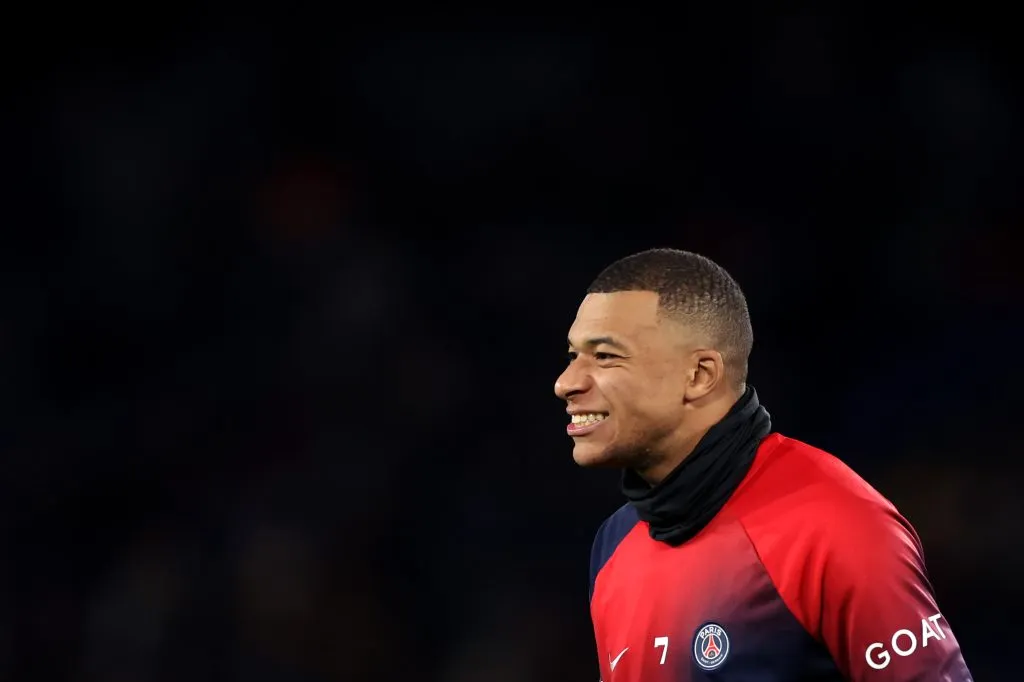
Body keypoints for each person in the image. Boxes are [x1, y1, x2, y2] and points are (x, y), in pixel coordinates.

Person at [554, 248, 973, 681]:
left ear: (699, 375)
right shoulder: (614, 543)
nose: (566, 383)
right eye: (572, 356)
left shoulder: (835, 525)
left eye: (605, 356)